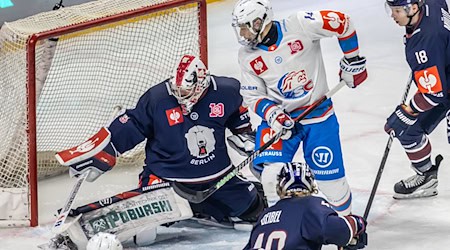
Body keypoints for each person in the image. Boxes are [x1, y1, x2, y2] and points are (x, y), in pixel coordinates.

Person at [55, 54, 266, 247]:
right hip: (166, 181)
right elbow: (133, 124)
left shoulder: (227, 90)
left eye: (184, 91)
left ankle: (207, 206)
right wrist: (104, 152)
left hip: (218, 178)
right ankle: (181, 208)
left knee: (253, 210)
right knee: (145, 236)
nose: (179, 94)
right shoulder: (158, 98)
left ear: (201, 84)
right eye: (177, 89)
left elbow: (237, 116)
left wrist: (246, 136)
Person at [232, 0, 368, 214]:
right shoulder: (247, 56)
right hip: (279, 122)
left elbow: (342, 22)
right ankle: (282, 225)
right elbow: (252, 95)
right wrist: (273, 114)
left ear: (260, 22)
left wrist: (353, 61)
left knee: (332, 184)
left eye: (245, 27)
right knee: (271, 177)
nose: (243, 34)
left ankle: (347, 227)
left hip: (319, 117)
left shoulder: (299, 25)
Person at [384, 0, 449, 199]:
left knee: (403, 120)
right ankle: (426, 177)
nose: (392, 15)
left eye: (396, 10)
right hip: (444, 79)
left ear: (413, 8)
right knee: (409, 129)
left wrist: (407, 111)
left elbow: (433, 94)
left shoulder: (425, 41)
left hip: (442, 87)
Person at [244, 162, 368, 250]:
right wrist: (357, 223)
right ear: (310, 185)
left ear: (280, 187)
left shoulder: (265, 214)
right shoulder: (310, 205)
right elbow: (340, 231)